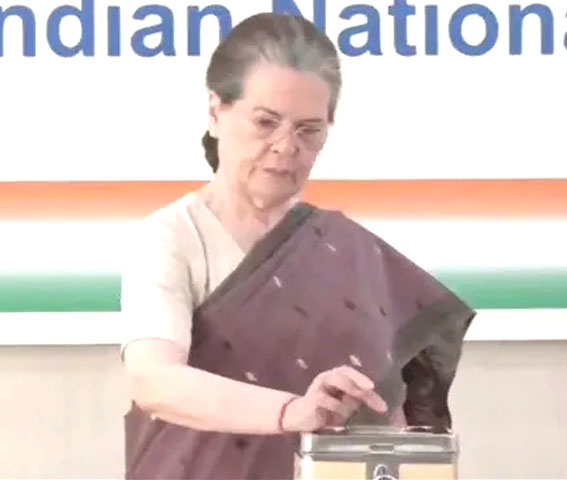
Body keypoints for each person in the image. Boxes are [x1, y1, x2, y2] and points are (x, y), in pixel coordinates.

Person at [120, 12, 475, 480]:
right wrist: (291, 411)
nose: (286, 147)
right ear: (215, 112)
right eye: (266, 122)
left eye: (309, 130)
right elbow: (153, 380)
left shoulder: (348, 251)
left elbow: (397, 407)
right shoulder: (172, 237)